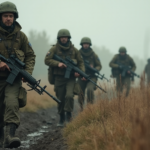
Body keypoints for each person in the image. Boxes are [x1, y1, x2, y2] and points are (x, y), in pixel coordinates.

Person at [0, 1, 35, 148]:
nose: (8, 18)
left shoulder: (21, 37)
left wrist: (26, 73)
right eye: (5, 16)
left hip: (13, 80)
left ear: (15, 17)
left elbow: (30, 56)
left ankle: (10, 136)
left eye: (11, 16)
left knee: (12, 103)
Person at [45, 29, 85, 127]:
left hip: (70, 78)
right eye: (62, 37)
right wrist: (58, 64)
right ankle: (61, 118)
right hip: (59, 78)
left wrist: (79, 73)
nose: (64, 39)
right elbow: (47, 60)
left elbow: (80, 63)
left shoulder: (74, 50)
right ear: (59, 38)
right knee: (60, 99)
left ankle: (69, 116)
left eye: (65, 37)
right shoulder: (54, 49)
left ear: (68, 38)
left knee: (69, 96)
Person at [78, 37, 102, 110]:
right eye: (84, 44)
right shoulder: (77, 54)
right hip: (81, 76)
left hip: (91, 76)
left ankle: (90, 108)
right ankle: (81, 107)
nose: (85, 45)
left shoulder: (93, 54)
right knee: (80, 92)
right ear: (82, 44)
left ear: (89, 45)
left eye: (87, 44)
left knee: (90, 90)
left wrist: (94, 69)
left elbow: (99, 65)